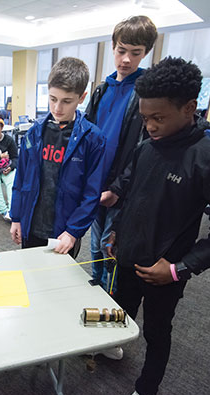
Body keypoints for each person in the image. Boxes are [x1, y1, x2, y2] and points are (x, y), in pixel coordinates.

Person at [106, 57, 210, 395]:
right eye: (145, 118)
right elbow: (134, 198)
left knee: (156, 330)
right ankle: (110, 347)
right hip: (127, 255)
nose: (150, 126)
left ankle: (147, 389)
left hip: (164, 269)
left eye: (158, 118)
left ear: (189, 108)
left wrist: (177, 268)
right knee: (118, 309)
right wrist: (117, 232)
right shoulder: (145, 148)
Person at [85, 15, 158, 294]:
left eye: (135, 53)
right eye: (121, 50)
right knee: (94, 243)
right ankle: (95, 287)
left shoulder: (145, 91)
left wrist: (118, 187)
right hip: (96, 182)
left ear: (146, 53)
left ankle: (110, 296)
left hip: (123, 188)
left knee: (111, 244)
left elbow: (144, 148)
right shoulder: (102, 89)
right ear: (113, 47)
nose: (126, 59)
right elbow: (88, 137)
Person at [10, 57, 105, 258]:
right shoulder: (34, 134)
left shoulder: (93, 139)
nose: (57, 108)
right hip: (31, 225)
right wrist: (16, 217)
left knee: (58, 284)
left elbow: (92, 194)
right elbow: (21, 180)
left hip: (64, 231)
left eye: (66, 101)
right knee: (29, 279)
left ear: (82, 97)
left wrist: (73, 231)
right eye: (53, 99)